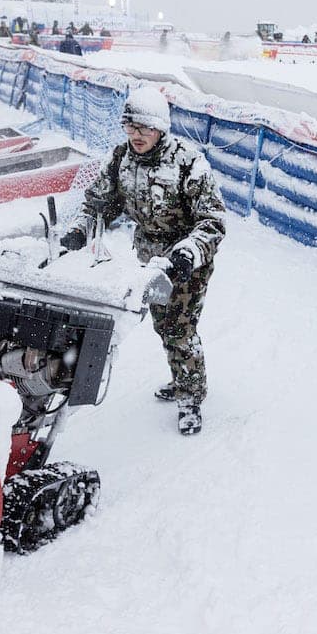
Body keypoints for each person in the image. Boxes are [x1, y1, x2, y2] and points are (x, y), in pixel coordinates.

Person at [58, 89, 227, 435]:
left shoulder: (188, 162)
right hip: (148, 258)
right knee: (162, 325)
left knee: (179, 329)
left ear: (160, 129)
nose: (136, 135)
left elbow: (212, 222)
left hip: (186, 262)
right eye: (130, 127)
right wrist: (80, 230)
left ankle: (190, 396)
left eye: (144, 128)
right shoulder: (121, 158)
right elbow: (99, 204)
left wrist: (188, 252)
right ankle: (183, 378)